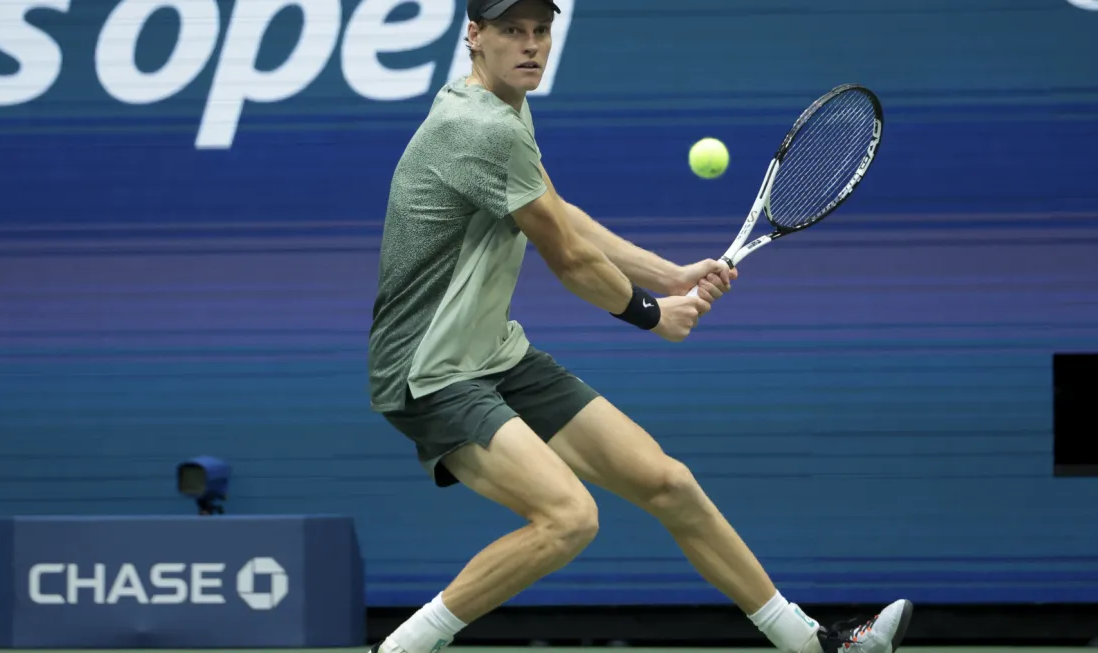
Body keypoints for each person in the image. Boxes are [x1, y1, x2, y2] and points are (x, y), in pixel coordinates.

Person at [365, 1, 915, 652]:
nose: (531, 44)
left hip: (490, 354)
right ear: (474, 38)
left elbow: (562, 215)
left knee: (667, 482)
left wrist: (670, 275)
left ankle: (812, 643)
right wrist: (652, 315)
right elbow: (566, 256)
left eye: (541, 31)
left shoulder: (504, 108)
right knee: (567, 517)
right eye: (512, 30)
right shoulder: (480, 126)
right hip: (429, 368)